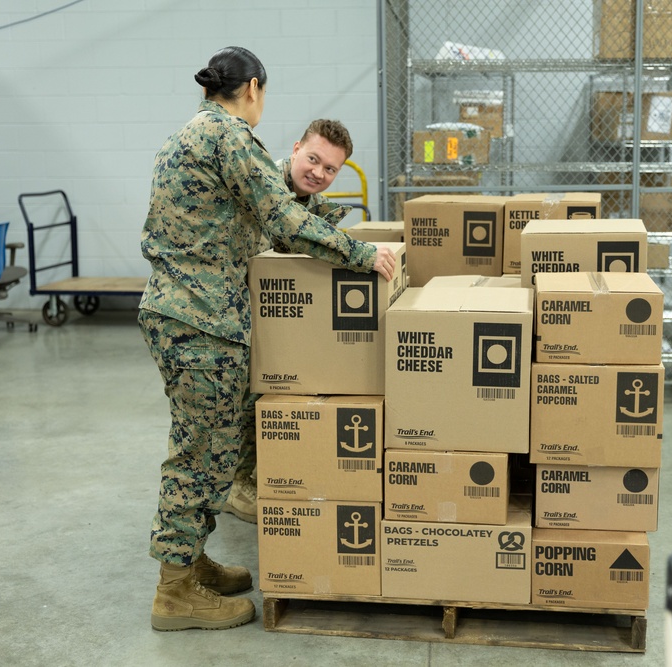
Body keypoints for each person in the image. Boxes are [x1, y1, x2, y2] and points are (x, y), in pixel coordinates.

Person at [138, 46, 396, 632]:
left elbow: (269, 216)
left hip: (192, 316)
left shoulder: (193, 133)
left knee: (210, 448)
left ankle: (191, 563)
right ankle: (173, 593)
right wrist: (361, 256)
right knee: (200, 456)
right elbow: (282, 219)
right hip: (199, 321)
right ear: (253, 87)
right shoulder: (229, 137)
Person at [223, 118, 355, 524]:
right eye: (313, 159)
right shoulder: (265, 185)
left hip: (272, 316)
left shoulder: (311, 206)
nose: (318, 172)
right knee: (239, 401)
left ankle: (259, 472)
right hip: (225, 307)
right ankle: (236, 482)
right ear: (296, 149)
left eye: (330, 169)